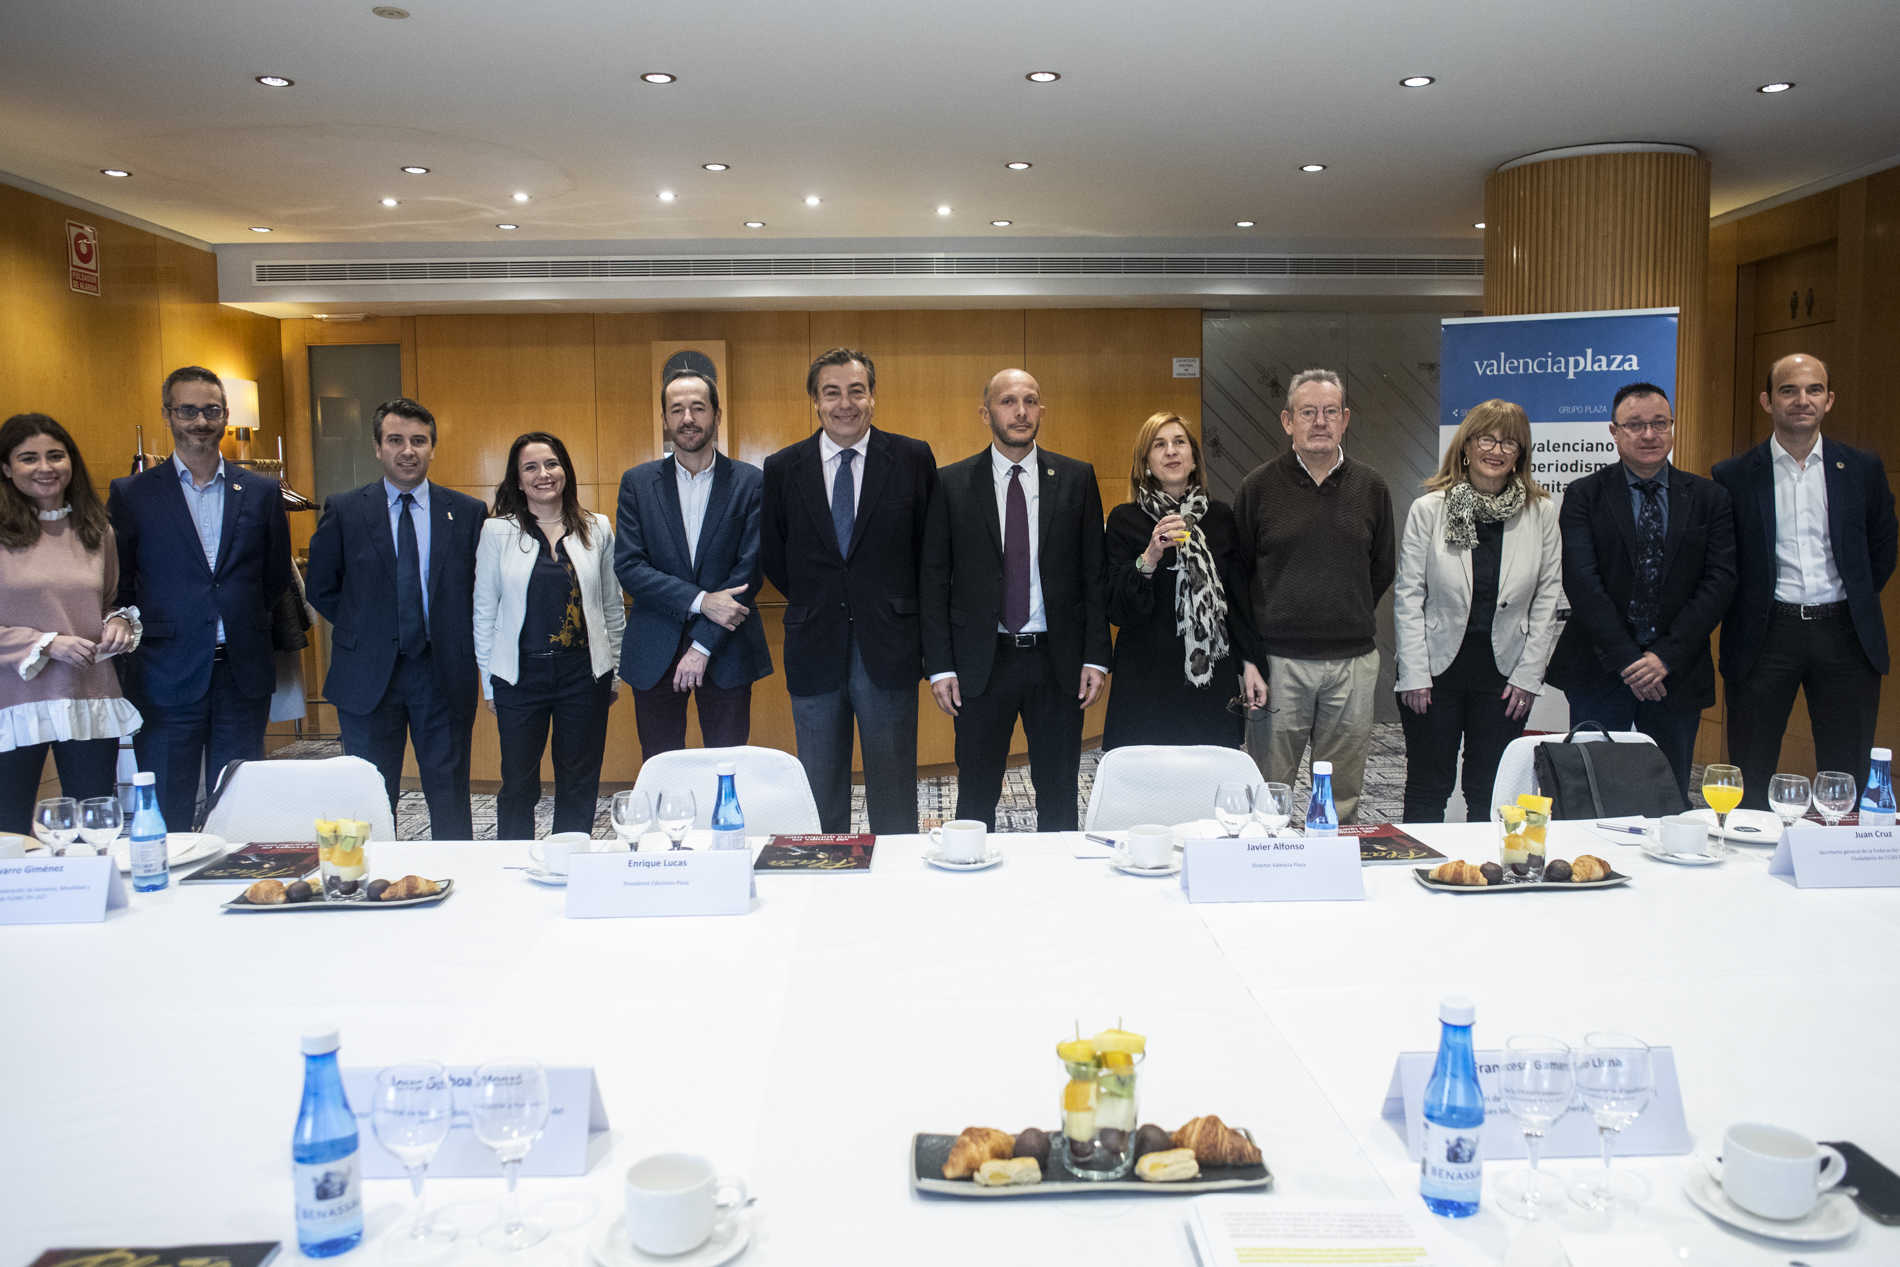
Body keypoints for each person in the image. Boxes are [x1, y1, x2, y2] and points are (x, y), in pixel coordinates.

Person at [922, 368, 1110, 831]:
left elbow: (1094, 574)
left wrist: (1096, 656)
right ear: (986, 413)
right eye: (1008, 401)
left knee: (1060, 794)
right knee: (976, 794)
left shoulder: (1077, 478)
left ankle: (1057, 875)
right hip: (981, 665)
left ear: (1041, 410)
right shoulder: (950, 483)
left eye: (1030, 401)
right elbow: (934, 579)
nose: (1021, 411)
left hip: (1057, 661)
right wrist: (940, 666)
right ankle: (972, 872)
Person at [762, 348, 937, 834]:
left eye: (856, 391)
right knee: (819, 786)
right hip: (814, 643)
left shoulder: (911, 458)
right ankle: (827, 870)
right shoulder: (783, 467)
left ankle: (894, 872)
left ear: (873, 397)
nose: (845, 404)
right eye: (832, 393)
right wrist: (821, 598)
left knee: (894, 786)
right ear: (815, 402)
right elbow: (774, 553)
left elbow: (929, 551)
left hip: (890, 645)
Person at [108, 366, 292, 830]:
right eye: (187, 411)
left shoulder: (261, 491)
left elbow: (273, 578)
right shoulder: (133, 493)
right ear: (168, 414)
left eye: (211, 411)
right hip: (166, 674)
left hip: (241, 673)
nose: (200, 422)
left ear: (226, 415)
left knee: (238, 808)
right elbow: (121, 581)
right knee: (166, 808)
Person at [1715, 353, 1897, 808]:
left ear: (1829, 400)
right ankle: (1750, 848)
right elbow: (1725, 562)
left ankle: (1838, 848)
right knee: (1750, 768)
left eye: (1814, 390)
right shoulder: (1733, 475)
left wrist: (1849, 599)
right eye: (1789, 390)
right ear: (1767, 401)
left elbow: (1882, 549)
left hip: (1845, 634)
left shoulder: (1862, 468)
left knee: (1845, 771)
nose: (1802, 400)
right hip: (1765, 634)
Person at [1545, 382, 1735, 798]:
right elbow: (1581, 581)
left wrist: (1663, 657)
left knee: (1667, 793)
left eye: (1659, 423)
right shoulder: (1584, 495)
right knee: (1591, 792)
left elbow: (1719, 581)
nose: (1649, 434)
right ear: (1614, 432)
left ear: (1672, 427)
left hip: (1676, 672)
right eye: (1635, 425)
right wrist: (1630, 660)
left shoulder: (1710, 498)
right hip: (1600, 669)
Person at [305, 397, 484, 838]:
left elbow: (478, 590)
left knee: (449, 791)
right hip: (366, 675)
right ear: (377, 447)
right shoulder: (346, 510)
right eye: (396, 440)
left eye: (419, 441)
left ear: (432, 448)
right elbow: (321, 587)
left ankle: (456, 873)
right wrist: (367, 629)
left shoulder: (466, 513)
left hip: (441, 674)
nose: (408, 451)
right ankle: (369, 876)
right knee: (369, 796)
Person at [1234, 368, 1395, 824]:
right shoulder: (1258, 487)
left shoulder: (1372, 487)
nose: (1320, 422)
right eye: (1308, 412)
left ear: (1345, 419)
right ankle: (1268, 859)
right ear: (1288, 421)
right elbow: (1240, 575)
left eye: (1330, 412)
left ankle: (1331, 856)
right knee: (1268, 790)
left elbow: (1382, 567)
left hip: (1352, 663)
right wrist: (1251, 656)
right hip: (1278, 664)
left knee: (1340, 792)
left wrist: (1342, 611)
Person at [1392, 400, 1562, 821]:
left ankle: (1484, 863)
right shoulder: (1430, 509)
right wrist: (1414, 672)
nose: (1496, 450)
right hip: (1434, 672)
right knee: (1428, 787)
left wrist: (1529, 677)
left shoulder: (1540, 513)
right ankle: (1422, 861)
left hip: (1505, 676)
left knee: (1491, 790)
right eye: (1487, 439)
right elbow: (1409, 595)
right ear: (1466, 445)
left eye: (1509, 442)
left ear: (1520, 453)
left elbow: (1548, 598)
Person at [475, 431, 623, 840]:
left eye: (551, 464)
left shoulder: (597, 527)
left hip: (583, 674)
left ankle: (569, 862)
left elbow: (611, 607)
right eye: (531, 467)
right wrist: (489, 681)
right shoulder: (496, 531)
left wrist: (614, 672)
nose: (544, 474)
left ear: (565, 471)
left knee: (579, 781)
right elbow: (484, 613)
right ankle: (512, 864)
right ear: (518, 480)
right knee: (518, 784)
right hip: (519, 676)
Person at [614, 370, 771, 758]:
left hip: (727, 648)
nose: (688, 418)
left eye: (698, 408)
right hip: (654, 648)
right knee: (661, 765)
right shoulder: (637, 483)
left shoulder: (751, 482)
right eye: (677, 409)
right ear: (664, 419)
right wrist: (702, 601)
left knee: (727, 764)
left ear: (717, 414)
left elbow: (749, 570)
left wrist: (702, 644)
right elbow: (630, 566)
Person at [0, 415, 143, 833]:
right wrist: (47, 643)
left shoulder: (97, 531)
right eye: (29, 458)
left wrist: (118, 623)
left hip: (87, 695)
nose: (45, 467)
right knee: (8, 831)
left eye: (55, 456)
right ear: (6, 468)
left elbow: (107, 602)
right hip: (12, 701)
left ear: (71, 462)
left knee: (94, 825)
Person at [1102, 411, 1265, 749]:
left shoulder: (1221, 518)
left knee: (1211, 772)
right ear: (1146, 463)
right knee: (1147, 777)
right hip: (1145, 679)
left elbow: (1238, 601)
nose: (1171, 451)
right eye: (1159, 445)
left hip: (1210, 679)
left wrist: (1250, 663)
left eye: (1179, 442)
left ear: (1193, 459)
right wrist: (1150, 556)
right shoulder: (1124, 519)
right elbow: (1118, 609)